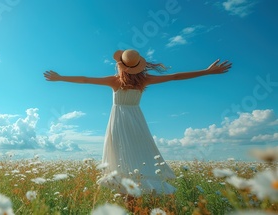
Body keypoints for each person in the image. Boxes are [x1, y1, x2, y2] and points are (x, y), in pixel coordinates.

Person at [44, 49, 232, 197]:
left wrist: (60, 77)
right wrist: (207, 72)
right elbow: (176, 76)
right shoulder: (144, 81)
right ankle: (139, 190)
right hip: (136, 120)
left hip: (118, 121)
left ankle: (126, 195)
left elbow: (85, 80)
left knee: (120, 156)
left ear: (120, 65)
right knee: (140, 153)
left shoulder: (114, 81)